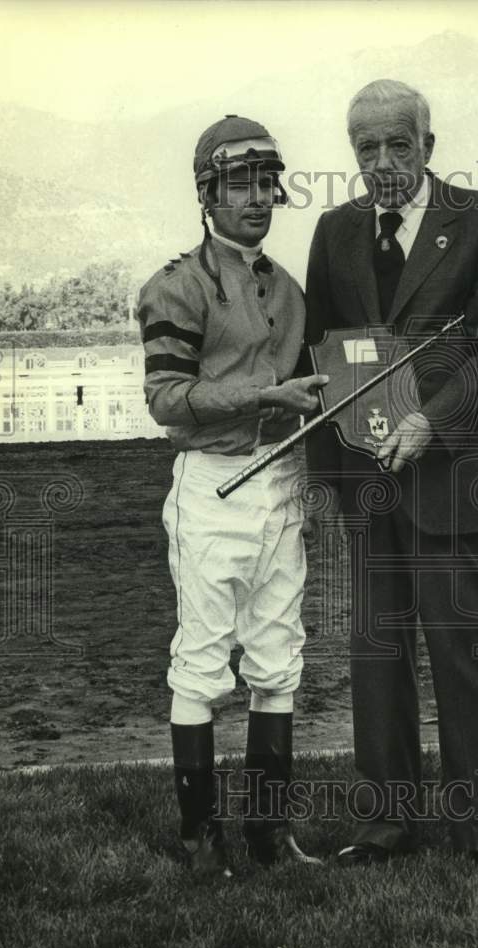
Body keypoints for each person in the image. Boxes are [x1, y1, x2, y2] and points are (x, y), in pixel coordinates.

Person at [304, 80, 478, 878]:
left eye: (398, 144)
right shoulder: (334, 233)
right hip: (367, 485)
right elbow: (322, 354)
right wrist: (328, 482)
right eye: (365, 147)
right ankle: (385, 824)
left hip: (451, 474)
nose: (383, 162)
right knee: (377, 650)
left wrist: (431, 421)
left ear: (429, 147)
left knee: (465, 646)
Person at [137, 115, 328, 877]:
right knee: (204, 661)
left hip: (280, 483)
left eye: (265, 182)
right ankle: (199, 840)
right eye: (238, 184)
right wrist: (266, 393)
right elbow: (166, 399)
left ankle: (267, 836)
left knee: (279, 659)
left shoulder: (288, 287)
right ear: (207, 193)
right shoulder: (177, 287)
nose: (257, 198)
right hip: (213, 489)